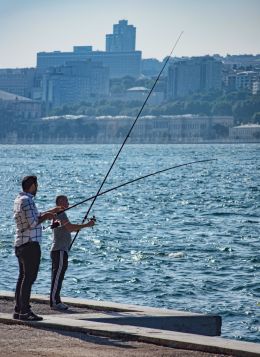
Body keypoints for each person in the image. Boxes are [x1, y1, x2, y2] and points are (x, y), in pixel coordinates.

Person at [13, 175, 62, 321]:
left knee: (22, 277)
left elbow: (33, 217)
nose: (37, 188)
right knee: (29, 278)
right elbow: (33, 223)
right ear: (33, 185)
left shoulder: (18, 200)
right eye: (37, 185)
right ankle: (25, 311)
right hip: (30, 244)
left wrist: (50, 211)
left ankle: (18, 310)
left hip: (21, 243)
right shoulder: (27, 201)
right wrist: (47, 216)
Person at [50, 195, 95, 311]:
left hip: (60, 250)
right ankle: (55, 302)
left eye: (67, 201)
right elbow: (70, 228)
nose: (67, 204)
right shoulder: (60, 214)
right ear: (58, 203)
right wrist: (87, 225)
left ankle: (56, 301)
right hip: (59, 250)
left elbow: (69, 228)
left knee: (58, 277)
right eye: (64, 201)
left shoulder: (58, 215)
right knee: (57, 277)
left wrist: (82, 226)